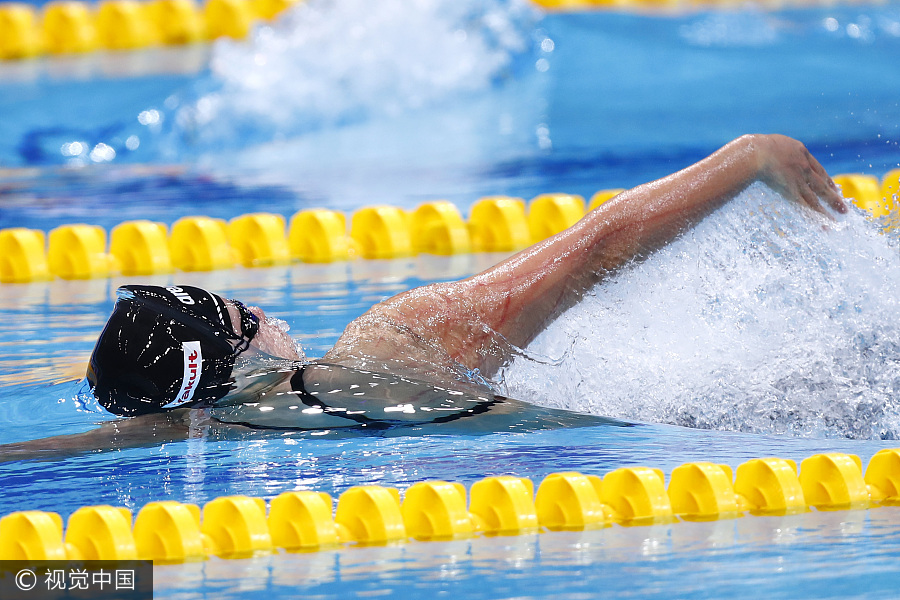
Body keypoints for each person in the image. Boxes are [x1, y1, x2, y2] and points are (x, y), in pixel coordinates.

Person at [2, 134, 846, 459]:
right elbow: (593, 251)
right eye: (246, 314)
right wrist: (749, 158)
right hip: (720, 434)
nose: (270, 311)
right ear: (240, 349)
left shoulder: (174, 432)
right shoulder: (394, 341)